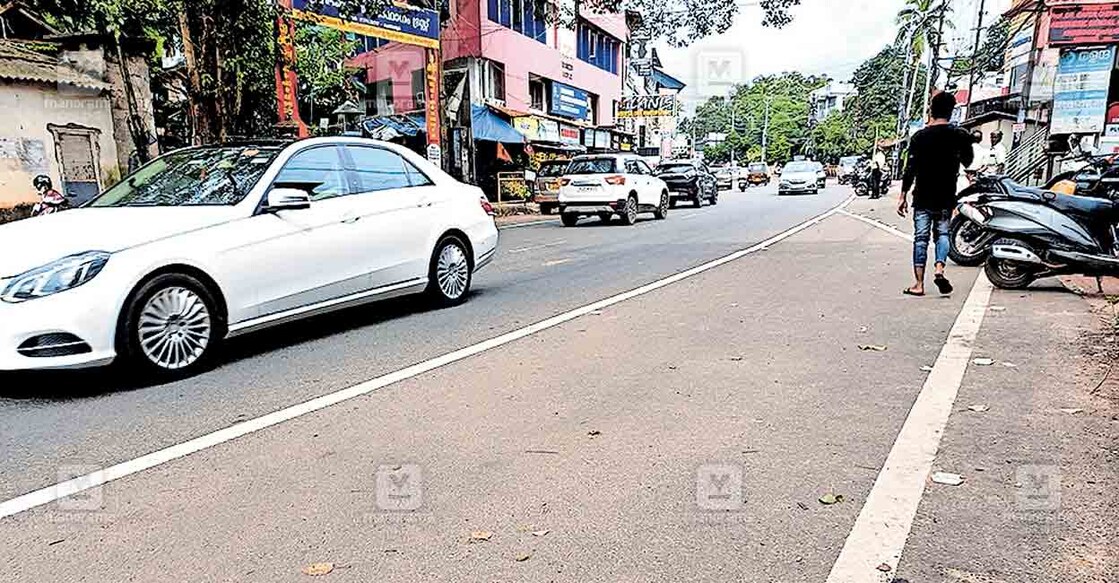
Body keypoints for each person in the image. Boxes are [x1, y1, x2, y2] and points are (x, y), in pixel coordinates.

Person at [897, 91, 974, 297]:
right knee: (942, 234)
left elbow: (910, 169)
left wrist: (903, 196)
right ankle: (939, 268)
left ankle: (919, 284)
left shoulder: (920, 137)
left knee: (921, 238)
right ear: (951, 111)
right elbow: (968, 161)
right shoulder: (959, 135)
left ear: (932, 110)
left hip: (923, 195)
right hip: (946, 195)